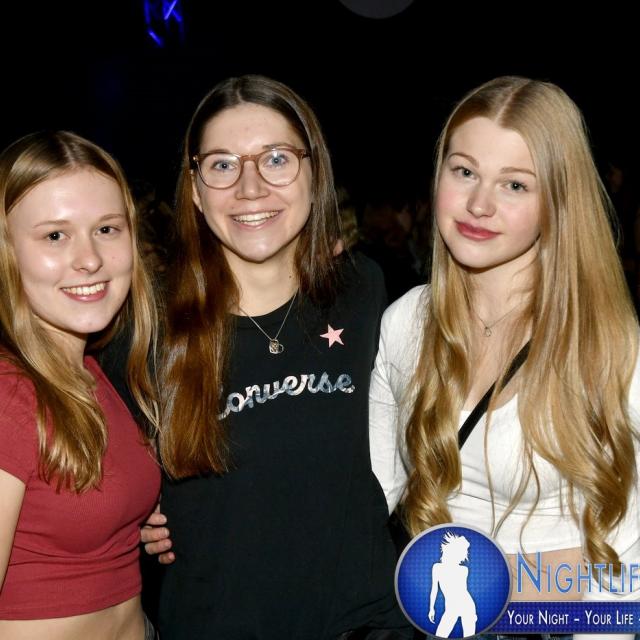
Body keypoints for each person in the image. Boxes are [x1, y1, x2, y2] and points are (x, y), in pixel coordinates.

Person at [139, 75, 410, 639]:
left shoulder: (363, 289)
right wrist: (130, 516)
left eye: (277, 159)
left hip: (367, 623)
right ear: (195, 189)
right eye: (222, 165)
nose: (250, 188)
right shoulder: (147, 327)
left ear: (315, 173)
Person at [369, 76, 640, 639]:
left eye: (515, 184)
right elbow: (372, 493)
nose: (479, 204)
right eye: (464, 171)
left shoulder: (606, 344)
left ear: (557, 202)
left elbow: (627, 552)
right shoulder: (406, 322)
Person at [0, 131, 160, 640]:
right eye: (55, 236)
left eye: (107, 229)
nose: (89, 259)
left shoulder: (92, 371)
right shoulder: (7, 395)